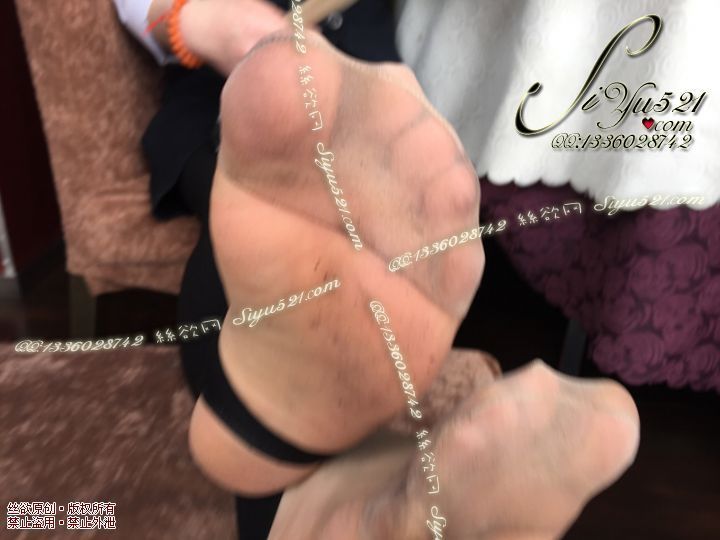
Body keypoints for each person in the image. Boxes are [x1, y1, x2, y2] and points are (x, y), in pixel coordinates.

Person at [114, 2, 641, 538]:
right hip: (229, 102)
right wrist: (205, 22)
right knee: (265, 216)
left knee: (308, 240)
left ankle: (301, 466)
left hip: (378, 130)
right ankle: (325, 485)